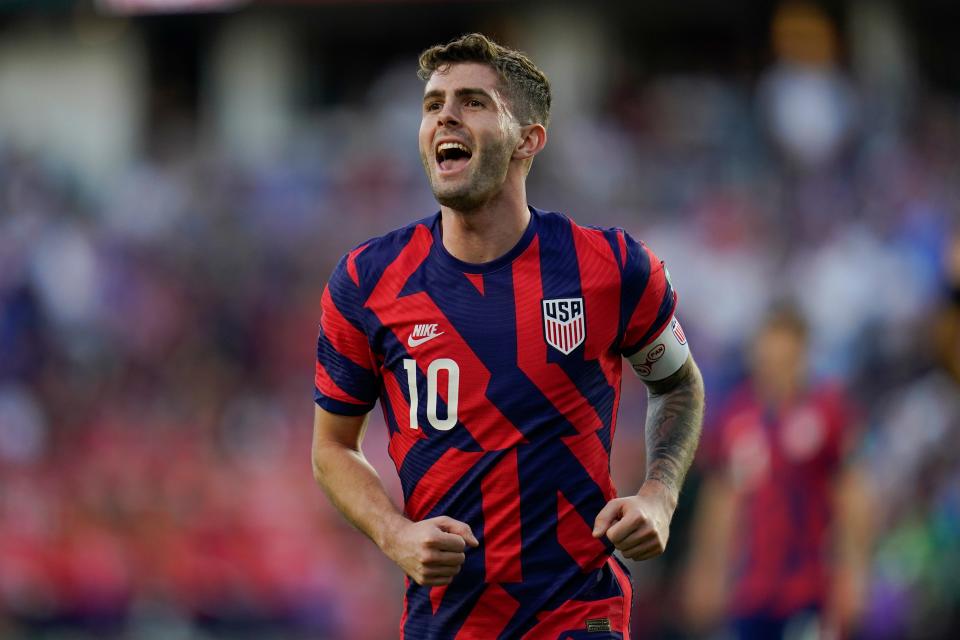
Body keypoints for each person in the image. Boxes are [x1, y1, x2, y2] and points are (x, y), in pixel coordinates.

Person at [311, 33, 705, 639]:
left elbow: (678, 385)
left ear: (528, 139)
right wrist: (396, 535)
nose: (444, 114)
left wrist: (659, 494)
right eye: (433, 103)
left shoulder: (612, 266)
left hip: (580, 612)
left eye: (472, 101)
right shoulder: (366, 281)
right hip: (446, 620)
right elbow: (333, 447)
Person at [683, 304, 872, 640]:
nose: (774, 371)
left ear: (802, 356)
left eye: (784, 361)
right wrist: (706, 570)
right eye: (768, 360)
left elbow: (851, 495)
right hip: (751, 589)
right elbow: (721, 499)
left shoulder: (826, 412)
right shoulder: (736, 416)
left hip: (811, 589)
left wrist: (853, 571)